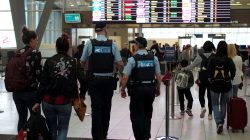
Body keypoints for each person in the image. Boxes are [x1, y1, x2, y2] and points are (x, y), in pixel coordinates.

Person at [32, 34, 85, 140]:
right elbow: (84, 80)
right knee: (63, 128)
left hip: (48, 101)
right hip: (65, 101)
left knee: (52, 129)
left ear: (56, 47)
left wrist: (37, 101)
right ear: (68, 48)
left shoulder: (49, 61)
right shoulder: (74, 62)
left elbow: (43, 83)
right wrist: (81, 95)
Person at [80, 22, 124, 140]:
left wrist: (84, 72)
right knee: (106, 108)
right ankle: (104, 134)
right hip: (108, 82)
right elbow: (120, 64)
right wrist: (122, 77)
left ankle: (97, 136)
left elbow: (82, 62)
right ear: (105, 29)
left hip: (94, 82)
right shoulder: (112, 45)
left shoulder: (89, 44)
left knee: (96, 109)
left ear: (96, 30)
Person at [120, 37, 161, 140]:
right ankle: (146, 136)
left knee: (137, 115)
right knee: (147, 114)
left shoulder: (132, 59)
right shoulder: (154, 58)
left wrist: (122, 89)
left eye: (135, 44)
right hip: (150, 89)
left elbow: (125, 77)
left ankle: (139, 137)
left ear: (137, 45)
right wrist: (158, 88)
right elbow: (158, 76)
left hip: (137, 90)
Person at [13, 26, 42, 132]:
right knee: (36, 118)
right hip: (31, 92)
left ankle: (21, 138)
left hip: (17, 92)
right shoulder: (35, 53)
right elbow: (39, 74)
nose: (37, 42)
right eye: (36, 40)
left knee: (22, 118)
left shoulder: (17, 52)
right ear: (31, 40)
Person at [208, 41, 235, 134]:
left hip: (214, 85)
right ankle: (221, 122)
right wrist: (230, 78)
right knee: (223, 104)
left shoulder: (212, 59)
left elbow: (209, 71)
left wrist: (211, 79)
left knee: (215, 104)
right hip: (226, 84)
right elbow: (233, 70)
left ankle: (219, 122)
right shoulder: (229, 59)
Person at [183, 41, 215, 120]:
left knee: (201, 94)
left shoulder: (200, 56)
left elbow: (192, 66)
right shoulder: (214, 56)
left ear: (204, 47)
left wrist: (184, 69)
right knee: (210, 96)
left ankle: (203, 107)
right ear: (212, 47)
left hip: (202, 78)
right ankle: (210, 114)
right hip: (212, 79)